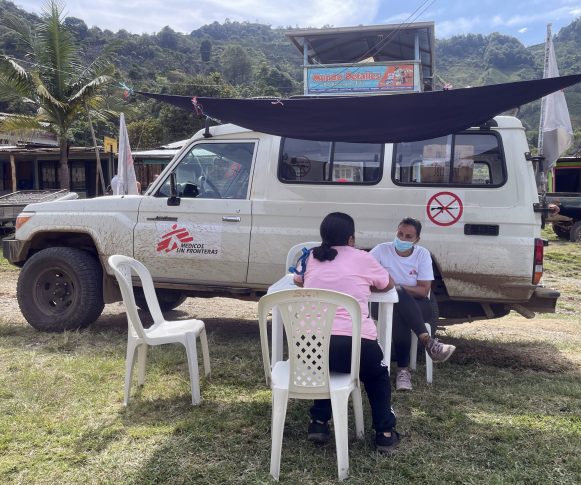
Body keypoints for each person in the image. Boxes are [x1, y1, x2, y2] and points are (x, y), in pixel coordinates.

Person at [293, 212, 400, 452]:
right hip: (357, 345)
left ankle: (318, 422)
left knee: (326, 368)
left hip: (310, 348)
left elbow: (298, 281)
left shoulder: (310, 256)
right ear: (351, 238)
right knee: (377, 376)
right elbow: (388, 284)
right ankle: (384, 432)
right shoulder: (363, 258)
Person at [370, 217, 456, 391]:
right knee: (397, 302)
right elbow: (364, 273)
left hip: (418, 305)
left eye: (408, 236)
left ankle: (403, 369)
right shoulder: (381, 250)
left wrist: (396, 287)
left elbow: (424, 290)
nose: (402, 239)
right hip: (381, 304)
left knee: (399, 298)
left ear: (417, 240)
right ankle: (424, 347)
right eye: (400, 234)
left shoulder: (422, 254)